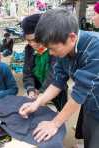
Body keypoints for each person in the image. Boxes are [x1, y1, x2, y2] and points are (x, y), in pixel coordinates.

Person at [19, 8, 99, 148]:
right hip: (91, 103)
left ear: (72, 38)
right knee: (90, 135)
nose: (51, 53)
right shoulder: (64, 49)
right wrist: (37, 102)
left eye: (52, 49)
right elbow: (58, 81)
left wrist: (54, 123)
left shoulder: (95, 48)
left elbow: (79, 93)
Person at [21, 14, 67, 111]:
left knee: (55, 114)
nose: (32, 44)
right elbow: (27, 73)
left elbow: (53, 75)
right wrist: (31, 89)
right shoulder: (29, 50)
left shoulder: (56, 49)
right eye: (29, 41)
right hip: (37, 89)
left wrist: (41, 94)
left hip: (56, 90)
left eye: (35, 40)